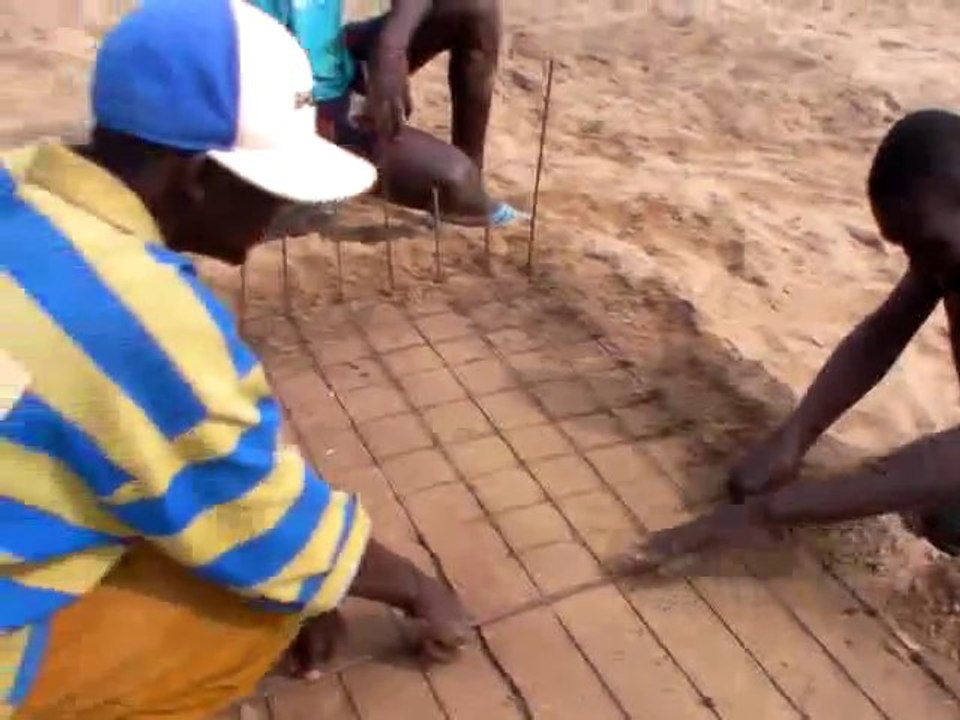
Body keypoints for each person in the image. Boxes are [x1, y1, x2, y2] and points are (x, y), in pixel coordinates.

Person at [0, 1, 469, 717]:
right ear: (193, 178)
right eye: (274, 189)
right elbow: (264, 520)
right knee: (258, 609)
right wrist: (417, 589)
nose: (280, 212)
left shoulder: (19, 183)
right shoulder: (140, 317)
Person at [631, 109, 960, 573]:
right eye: (910, 251)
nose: (922, 264)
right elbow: (881, 336)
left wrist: (771, 511)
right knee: (933, 510)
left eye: (928, 246)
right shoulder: (946, 249)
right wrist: (792, 438)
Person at [250, 0, 527, 227]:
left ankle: (472, 181)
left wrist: (390, 47)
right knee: (456, 181)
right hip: (285, 102)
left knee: (476, 8)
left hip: (332, 61)